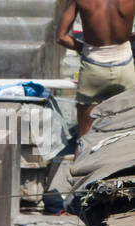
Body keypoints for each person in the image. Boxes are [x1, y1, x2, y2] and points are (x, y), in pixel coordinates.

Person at [57, 0, 135, 136]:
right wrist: (128, 37)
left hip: (93, 69)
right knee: (127, 135)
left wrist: (84, 48)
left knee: (84, 135)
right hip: (125, 69)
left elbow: (61, 37)